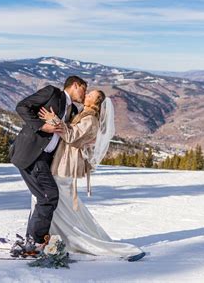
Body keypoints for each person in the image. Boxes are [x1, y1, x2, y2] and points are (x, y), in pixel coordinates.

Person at [37, 90, 146, 261]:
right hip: (63, 160)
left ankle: (71, 240)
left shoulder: (90, 119)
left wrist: (53, 120)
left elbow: (72, 136)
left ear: (97, 102)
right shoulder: (84, 115)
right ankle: (51, 237)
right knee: (59, 202)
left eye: (91, 95)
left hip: (66, 164)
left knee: (57, 201)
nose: (86, 95)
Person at [10, 76, 87, 253]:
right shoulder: (53, 93)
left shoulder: (73, 111)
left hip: (46, 159)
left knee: (46, 196)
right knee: (48, 196)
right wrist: (42, 126)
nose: (85, 93)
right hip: (31, 154)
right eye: (84, 88)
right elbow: (22, 106)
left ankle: (32, 239)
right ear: (75, 85)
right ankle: (35, 242)